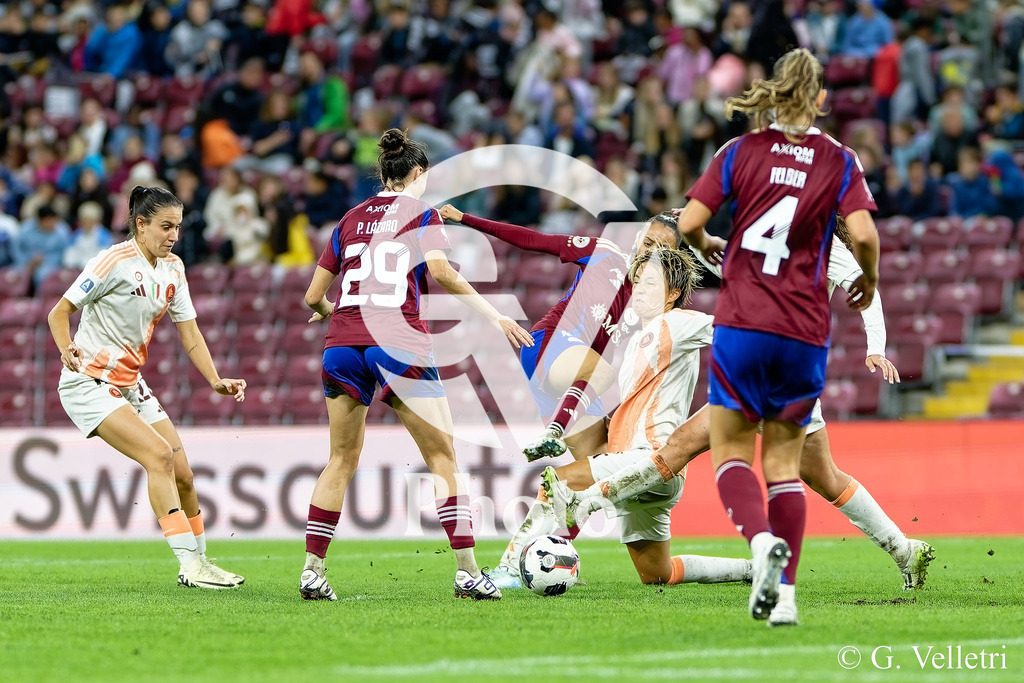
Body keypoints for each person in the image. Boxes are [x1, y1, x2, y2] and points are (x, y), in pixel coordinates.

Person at [544, 218, 933, 593]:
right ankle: (903, 550)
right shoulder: (776, 231)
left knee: (678, 448)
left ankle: (586, 499)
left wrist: (876, 347)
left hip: (764, 364)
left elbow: (864, 287)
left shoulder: (818, 242)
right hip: (791, 373)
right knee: (824, 477)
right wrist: (702, 229)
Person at [676, 48, 880, 626]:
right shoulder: (839, 160)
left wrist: (708, 245)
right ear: (818, 98)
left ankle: (760, 540)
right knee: (785, 464)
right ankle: (785, 598)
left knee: (732, 452)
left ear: (769, 93)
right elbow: (864, 235)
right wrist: (869, 276)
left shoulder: (738, 151)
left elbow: (689, 222)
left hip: (743, 322)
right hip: (804, 333)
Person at [298, 129, 534, 602]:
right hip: (399, 341)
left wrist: (332, 314)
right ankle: (467, 572)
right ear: (419, 174)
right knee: (443, 458)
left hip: (342, 344)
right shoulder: (421, 212)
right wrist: (495, 314)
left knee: (341, 459)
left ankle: (311, 571)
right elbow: (442, 272)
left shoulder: (348, 219)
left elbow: (311, 296)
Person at [46, 185, 247, 590]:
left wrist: (215, 379)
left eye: (178, 227)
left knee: (185, 475)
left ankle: (200, 564)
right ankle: (189, 564)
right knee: (159, 457)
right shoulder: (113, 261)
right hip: (88, 381)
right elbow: (59, 311)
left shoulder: (174, 268)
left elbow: (190, 334)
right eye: (165, 226)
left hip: (130, 383)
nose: (173, 235)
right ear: (140, 225)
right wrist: (67, 347)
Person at [436, 209, 678, 463]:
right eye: (648, 243)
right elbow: (533, 239)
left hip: (574, 383)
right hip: (549, 342)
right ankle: (553, 432)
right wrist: (465, 218)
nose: (651, 252)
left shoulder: (654, 300)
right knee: (603, 372)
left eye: (662, 250)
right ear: (638, 237)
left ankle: (546, 501)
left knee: (603, 467)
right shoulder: (604, 253)